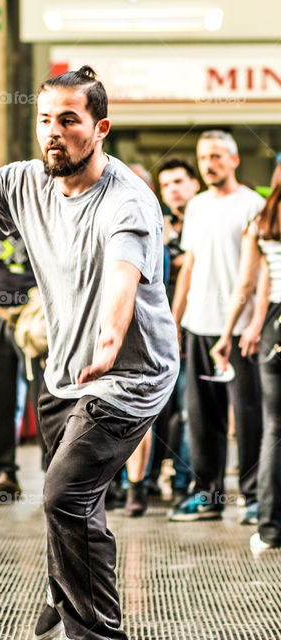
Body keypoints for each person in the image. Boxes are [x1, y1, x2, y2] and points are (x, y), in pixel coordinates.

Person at [0, 57, 178, 640]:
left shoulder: (129, 200)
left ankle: (92, 630)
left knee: (64, 493)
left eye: (68, 120)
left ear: (100, 128)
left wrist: (107, 340)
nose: (52, 131)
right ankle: (65, 591)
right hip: (63, 376)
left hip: (129, 377)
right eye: (45, 119)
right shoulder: (23, 183)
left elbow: (122, 278)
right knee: (75, 499)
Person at [169, 131, 265, 524]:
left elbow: (253, 276)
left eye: (217, 157)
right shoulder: (196, 206)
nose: (209, 164)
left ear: (234, 160)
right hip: (199, 323)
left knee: (248, 416)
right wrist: (173, 322)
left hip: (240, 329)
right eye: (204, 157)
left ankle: (256, 496)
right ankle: (207, 495)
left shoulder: (253, 205)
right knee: (201, 416)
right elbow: (189, 265)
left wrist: (245, 325)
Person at [211, 176, 281, 551]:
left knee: (274, 427)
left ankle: (270, 529)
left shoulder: (263, 221)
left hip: (275, 325)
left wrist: (232, 332)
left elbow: (248, 285)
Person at [0, 220, 45, 504]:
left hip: (35, 317)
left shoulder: (42, 223)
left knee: (43, 399)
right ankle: (3, 474)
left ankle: (52, 474)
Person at [144, 159, 200, 505]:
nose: (173, 190)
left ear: (193, 184)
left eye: (179, 181)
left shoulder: (205, 219)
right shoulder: (156, 225)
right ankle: (145, 481)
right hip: (157, 330)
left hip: (196, 328)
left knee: (188, 410)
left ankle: (183, 482)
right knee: (155, 410)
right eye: (167, 185)